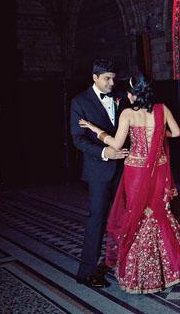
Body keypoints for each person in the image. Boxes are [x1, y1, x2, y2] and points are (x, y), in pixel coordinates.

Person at [78, 73, 180, 294]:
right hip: (157, 169)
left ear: (131, 94)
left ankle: (141, 274)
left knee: (136, 216)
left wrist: (95, 130)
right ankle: (174, 268)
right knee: (159, 214)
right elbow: (176, 132)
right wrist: (156, 133)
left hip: (135, 171)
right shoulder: (162, 109)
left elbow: (116, 144)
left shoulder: (127, 113)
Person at [70, 59, 129, 288]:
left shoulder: (120, 97)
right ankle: (86, 272)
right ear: (94, 77)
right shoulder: (79, 101)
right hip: (98, 170)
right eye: (107, 78)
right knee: (97, 220)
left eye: (113, 78)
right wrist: (105, 152)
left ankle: (126, 265)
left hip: (123, 169)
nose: (112, 83)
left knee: (124, 217)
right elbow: (78, 139)